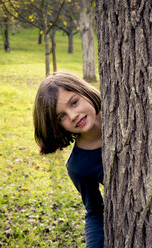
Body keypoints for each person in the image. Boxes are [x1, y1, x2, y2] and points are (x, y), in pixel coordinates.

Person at [33, 71, 104, 248]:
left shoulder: (127, 112)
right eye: (62, 116)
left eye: (74, 102)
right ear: (56, 126)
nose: (73, 116)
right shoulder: (79, 166)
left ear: (85, 91)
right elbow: (95, 212)